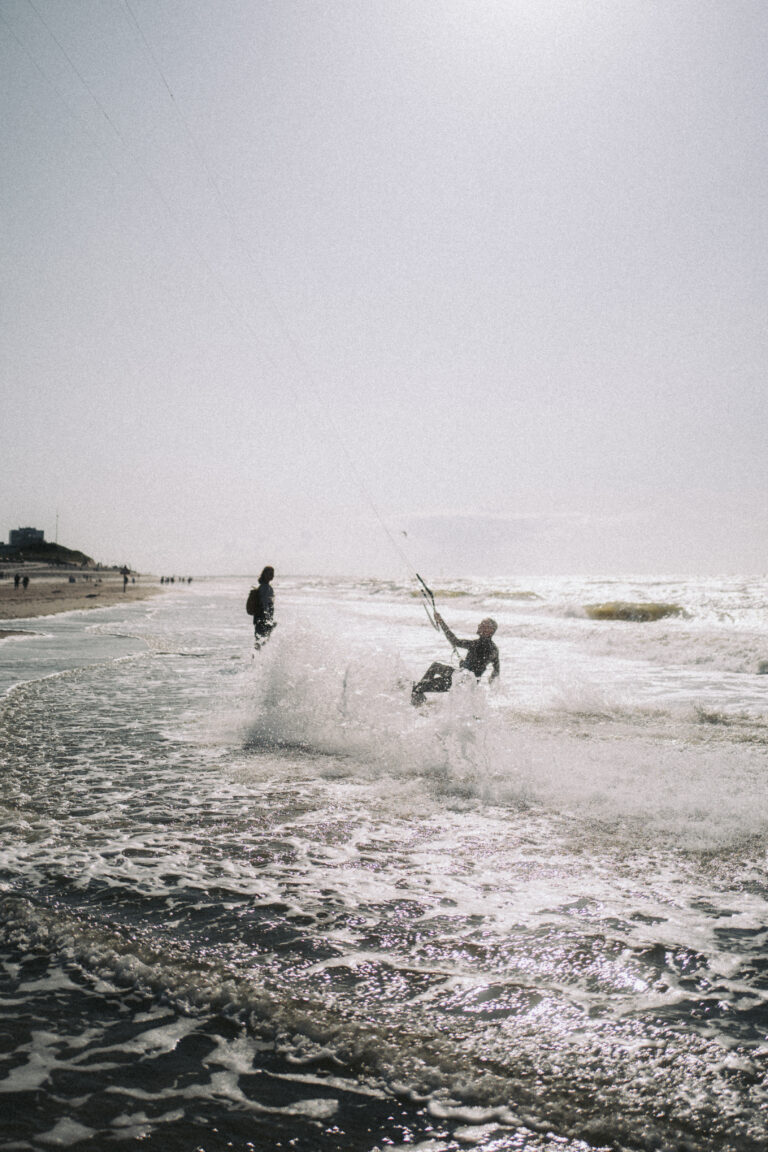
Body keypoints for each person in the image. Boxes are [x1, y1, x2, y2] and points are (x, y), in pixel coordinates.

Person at [411, 612, 499, 705]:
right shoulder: (494, 649)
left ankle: (418, 704)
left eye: (482, 624)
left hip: (460, 682)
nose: (479, 625)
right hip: (464, 679)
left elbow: (454, 641)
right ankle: (419, 697)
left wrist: (441, 622)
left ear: (489, 630)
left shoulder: (479, 644)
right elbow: (495, 670)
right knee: (436, 666)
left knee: (418, 687)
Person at [246, 566, 276, 648]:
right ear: (264, 574)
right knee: (262, 642)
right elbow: (265, 604)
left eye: (272, 574)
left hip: (259, 618)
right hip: (263, 619)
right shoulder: (265, 587)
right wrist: (268, 620)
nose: (271, 575)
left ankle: (255, 659)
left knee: (259, 641)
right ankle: (256, 659)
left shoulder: (263, 586)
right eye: (269, 573)